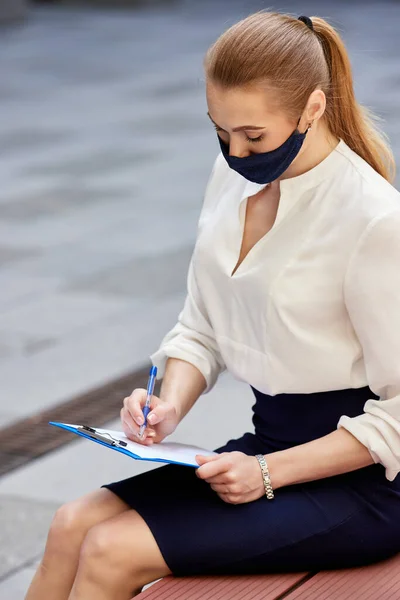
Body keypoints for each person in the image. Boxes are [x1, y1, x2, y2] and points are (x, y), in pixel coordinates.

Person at [26, 11, 400, 600]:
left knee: (108, 550)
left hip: (358, 482)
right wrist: (167, 407)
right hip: (265, 451)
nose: (236, 152)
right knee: (71, 523)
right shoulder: (233, 177)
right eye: (220, 132)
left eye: (255, 136)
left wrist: (268, 473)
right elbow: (200, 325)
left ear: (313, 108)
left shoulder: (373, 221)